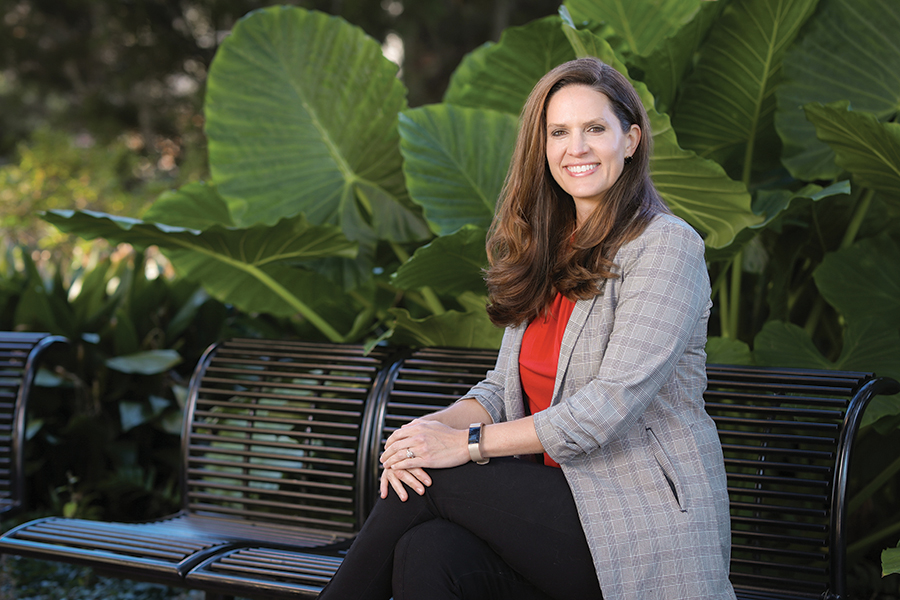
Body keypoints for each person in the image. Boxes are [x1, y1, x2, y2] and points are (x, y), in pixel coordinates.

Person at [316, 57, 736, 600]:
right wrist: (424, 433)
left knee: (439, 477)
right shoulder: (550, 250)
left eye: (594, 129)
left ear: (630, 140)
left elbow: (606, 407)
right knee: (428, 550)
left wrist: (463, 446)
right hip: (552, 518)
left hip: (635, 522)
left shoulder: (665, 246)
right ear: (542, 148)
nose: (575, 148)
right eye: (558, 132)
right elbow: (500, 392)